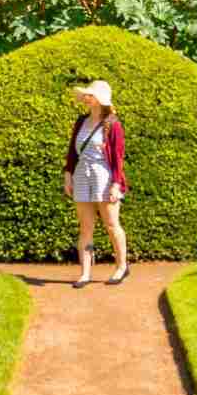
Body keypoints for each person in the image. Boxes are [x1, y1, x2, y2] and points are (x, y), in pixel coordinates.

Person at [63, 79, 129, 287]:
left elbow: (118, 157)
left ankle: (121, 266)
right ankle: (85, 273)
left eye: (89, 95)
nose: (85, 98)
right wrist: (68, 174)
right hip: (82, 175)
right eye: (86, 95)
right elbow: (72, 152)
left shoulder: (113, 124)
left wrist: (116, 184)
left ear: (99, 99)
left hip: (105, 177)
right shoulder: (81, 121)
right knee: (85, 228)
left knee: (111, 225)